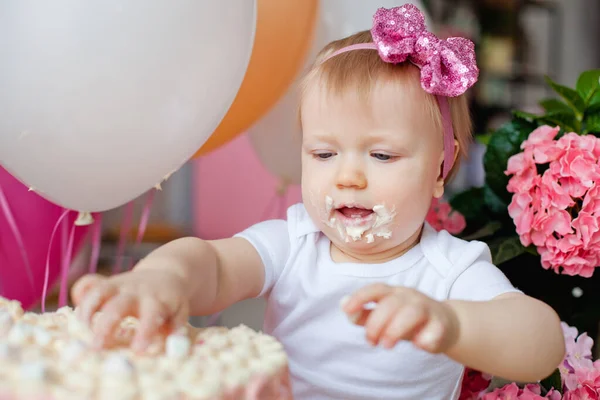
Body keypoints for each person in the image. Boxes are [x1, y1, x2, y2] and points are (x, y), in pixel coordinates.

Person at [72, 5, 565, 399]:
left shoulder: (450, 270)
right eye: (324, 153)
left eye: (381, 154)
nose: (348, 177)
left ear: (440, 169)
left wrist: (452, 323)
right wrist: (164, 279)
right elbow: (216, 264)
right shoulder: (294, 242)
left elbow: (539, 342)